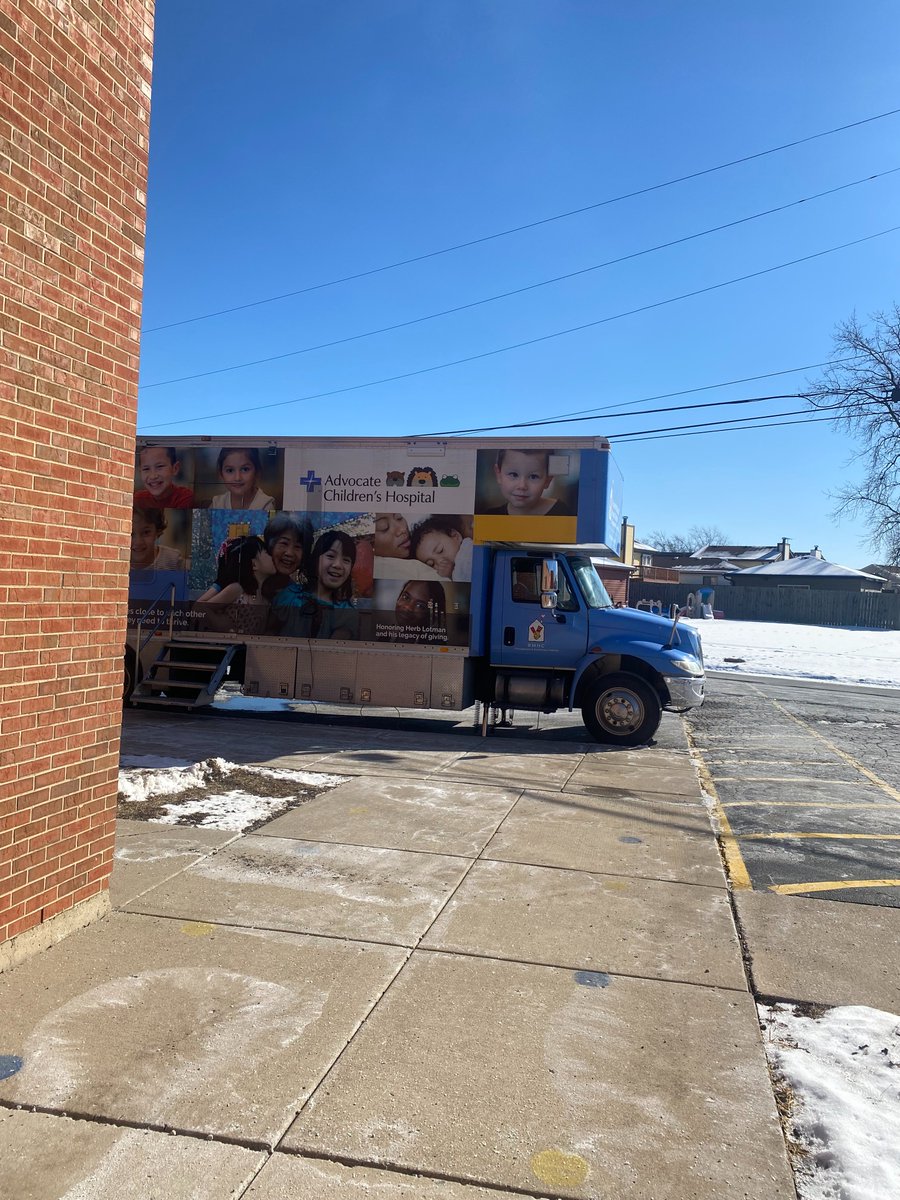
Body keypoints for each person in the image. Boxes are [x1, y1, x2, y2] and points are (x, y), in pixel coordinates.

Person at [272, 530, 359, 639]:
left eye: (346, 560)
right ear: (316, 559)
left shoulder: (346, 613)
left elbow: (333, 649)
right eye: (331, 556)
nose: (338, 565)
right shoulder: (289, 596)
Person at [482, 448, 572, 516]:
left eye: (533, 476)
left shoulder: (562, 513)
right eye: (513, 474)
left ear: (548, 480)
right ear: (498, 475)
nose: (522, 486)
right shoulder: (490, 516)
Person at [409, 516, 473, 582]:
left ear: (455, 536)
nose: (439, 562)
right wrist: (450, 575)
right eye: (431, 564)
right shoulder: (454, 573)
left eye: (440, 550)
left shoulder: (468, 551)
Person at [210, 447, 276, 511]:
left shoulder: (265, 505)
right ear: (221, 474)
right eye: (230, 470)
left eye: (245, 469)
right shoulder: (217, 504)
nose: (237, 478)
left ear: (257, 472)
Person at [133, 445, 195, 509]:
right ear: (140, 472)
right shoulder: (138, 499)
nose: (153, 476)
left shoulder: (184, 497)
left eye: (160, 466)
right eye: (146, 469)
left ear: (175, 468)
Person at [262, 514, 312, 581]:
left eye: (297, 546)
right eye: (284, 543)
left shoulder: (299, 591)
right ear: (270, 546)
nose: (290, 553)